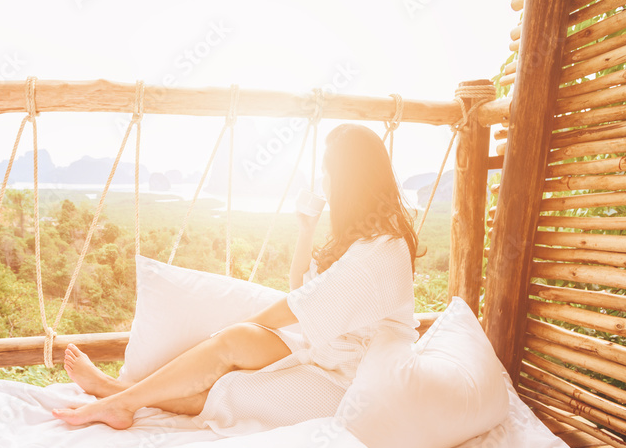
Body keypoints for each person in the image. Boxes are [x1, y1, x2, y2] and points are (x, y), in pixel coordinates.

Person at [51, 123, 420, 432]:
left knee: (228, 386)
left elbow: (294, 306)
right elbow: (302, 287)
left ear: (348, 179)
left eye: (327, 171)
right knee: (237, 341)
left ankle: (115, 395)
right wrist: (306, 229)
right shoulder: (363, 239)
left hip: (352, 387)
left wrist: (226, 335)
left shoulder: (383, 249)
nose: (323, 180)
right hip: (325, 357)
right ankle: (118, 395)